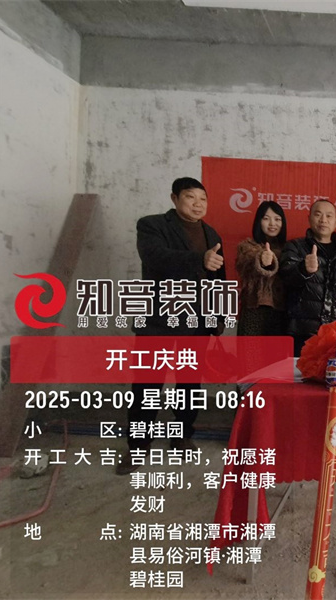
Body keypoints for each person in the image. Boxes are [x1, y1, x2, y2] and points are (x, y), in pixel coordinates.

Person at [118, 177, 225, 475]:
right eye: (190, 197)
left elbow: (218, 277)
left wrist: (218, 317)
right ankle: (137, 448)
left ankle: (182, 436)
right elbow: (155, 258)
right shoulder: (152, 225)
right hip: (158, 321)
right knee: (146, 386)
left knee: (189, 385)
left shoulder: (212, 233)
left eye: (203, 199)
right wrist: (199, 259)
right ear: (174, 198)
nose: (198, 204)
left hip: (197, 322)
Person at [280, 200, 336, 356]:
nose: (323, 220)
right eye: (318, 215)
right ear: (309, 218)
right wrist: (303, 269)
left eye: (329, 216)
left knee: (334, 371)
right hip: (302, 330)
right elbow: (286, 277)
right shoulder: (295, 246)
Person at [235, 201, 287, 337]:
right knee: (250, 350)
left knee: (277, 350)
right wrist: (262, 260)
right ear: (259, 221)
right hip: (253, 310)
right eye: (266, 218)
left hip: (281, 312)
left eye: (277, 219)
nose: (272, 224)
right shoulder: (247, 247)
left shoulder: (289, 250)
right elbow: (246, 263)